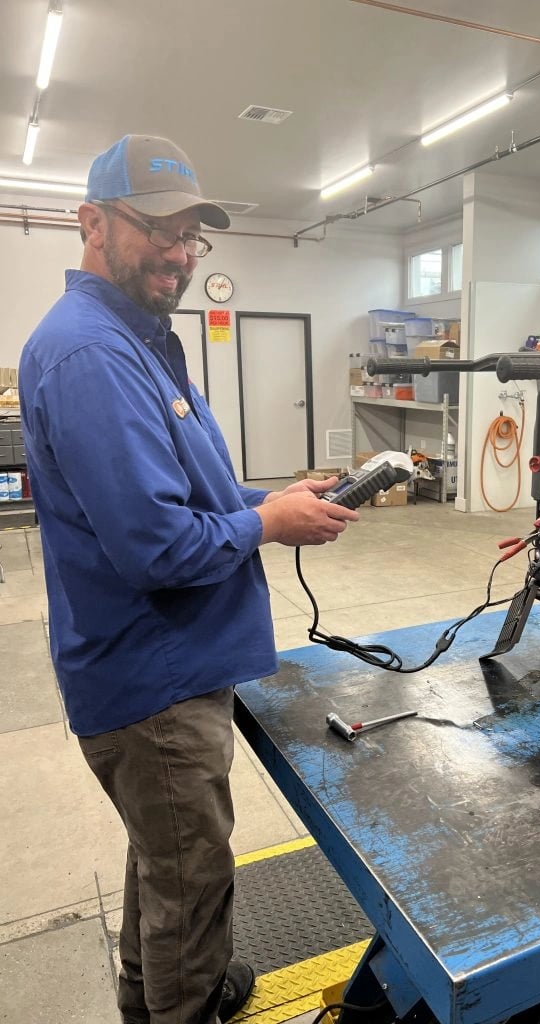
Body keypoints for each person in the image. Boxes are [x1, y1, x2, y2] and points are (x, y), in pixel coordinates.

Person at [19, 134, 359, 1024]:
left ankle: (163, 991)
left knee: (165, 856)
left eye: (191, 236)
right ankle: (182, 1009)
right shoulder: (93, 353)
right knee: (190, 874)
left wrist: (268, 499)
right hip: (151, 682)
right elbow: (157, 548)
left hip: (161, 666)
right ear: (91, 223)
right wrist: (265, 525)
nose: (177, 251)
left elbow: (181, 491)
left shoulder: (134, 340)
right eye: (156, 228)